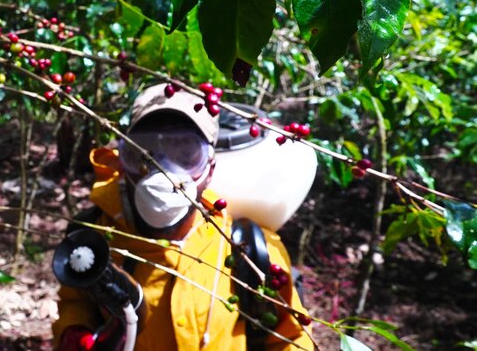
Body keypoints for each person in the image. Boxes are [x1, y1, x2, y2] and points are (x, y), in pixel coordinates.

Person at [52, 84, 313, 350]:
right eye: (143, 152)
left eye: (185, 153)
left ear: (210, 169)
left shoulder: (249, 248)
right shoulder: (97, 238)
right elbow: (77, 301)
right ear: (122, 160)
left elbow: (290, 338)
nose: (162, 170)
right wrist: (74, 332)